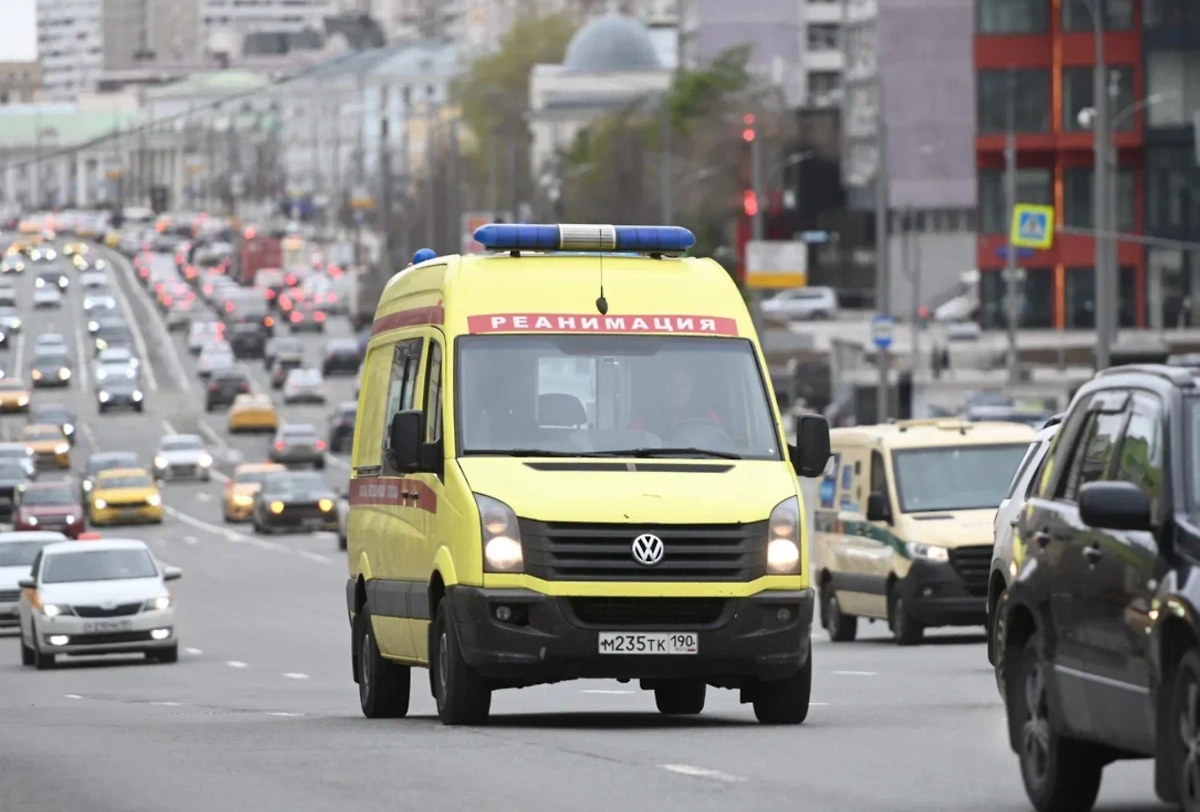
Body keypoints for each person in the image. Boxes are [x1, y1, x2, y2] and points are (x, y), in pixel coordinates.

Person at [629, 365, 722, 437]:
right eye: (671, 384)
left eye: (684, 385)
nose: (677, 390)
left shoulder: (706, 414)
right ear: (660, 387)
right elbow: (632, 445)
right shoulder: (644, 416)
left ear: (691, 390)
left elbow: (721, 442)